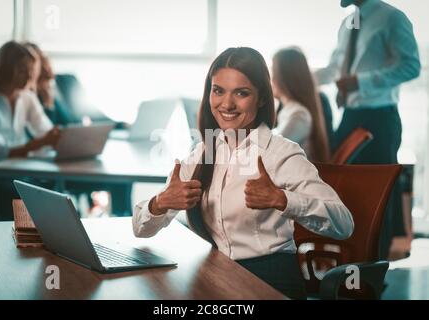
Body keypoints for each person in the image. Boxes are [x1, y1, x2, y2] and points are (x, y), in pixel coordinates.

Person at [132, 47, 354, 299]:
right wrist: (160, 203)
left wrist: (282, 199)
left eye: (241, 93)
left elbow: (343, 223)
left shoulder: (280, 153)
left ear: (260, 99)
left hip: (269, 279)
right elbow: (141, 229)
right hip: (217, 273)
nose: (227, 104)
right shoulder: (205, 151)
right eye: (218, 91)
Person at [314, 0, 421, 259]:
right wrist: (296, 80)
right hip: (350, 115)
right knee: (348, 189)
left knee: (377, 193)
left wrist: (361, 82)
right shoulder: (347, 23)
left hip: (380, 118)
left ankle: (375, 265)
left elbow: (411, 66)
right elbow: (335, 70)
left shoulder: (392, 18)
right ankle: (352, 262)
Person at [0, 41, 60, 220]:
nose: (31, 75)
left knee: (52, 186)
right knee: (31, 194)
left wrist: (58, 137)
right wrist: (43, 142)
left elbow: (43, 129)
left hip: (19, 168)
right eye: (24, 70)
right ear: (6, 70)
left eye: (31, 69)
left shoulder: (27, 97)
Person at [271, 47, 331, 162]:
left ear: (284, 77)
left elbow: (272, 150)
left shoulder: (299, 115)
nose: (271, 79)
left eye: (273, 72)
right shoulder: (290, 110)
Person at [22, 42, 74, 126]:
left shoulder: (66, 81)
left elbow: (68, 122)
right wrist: (48, 104)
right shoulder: (29, 95)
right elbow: (47, 132)